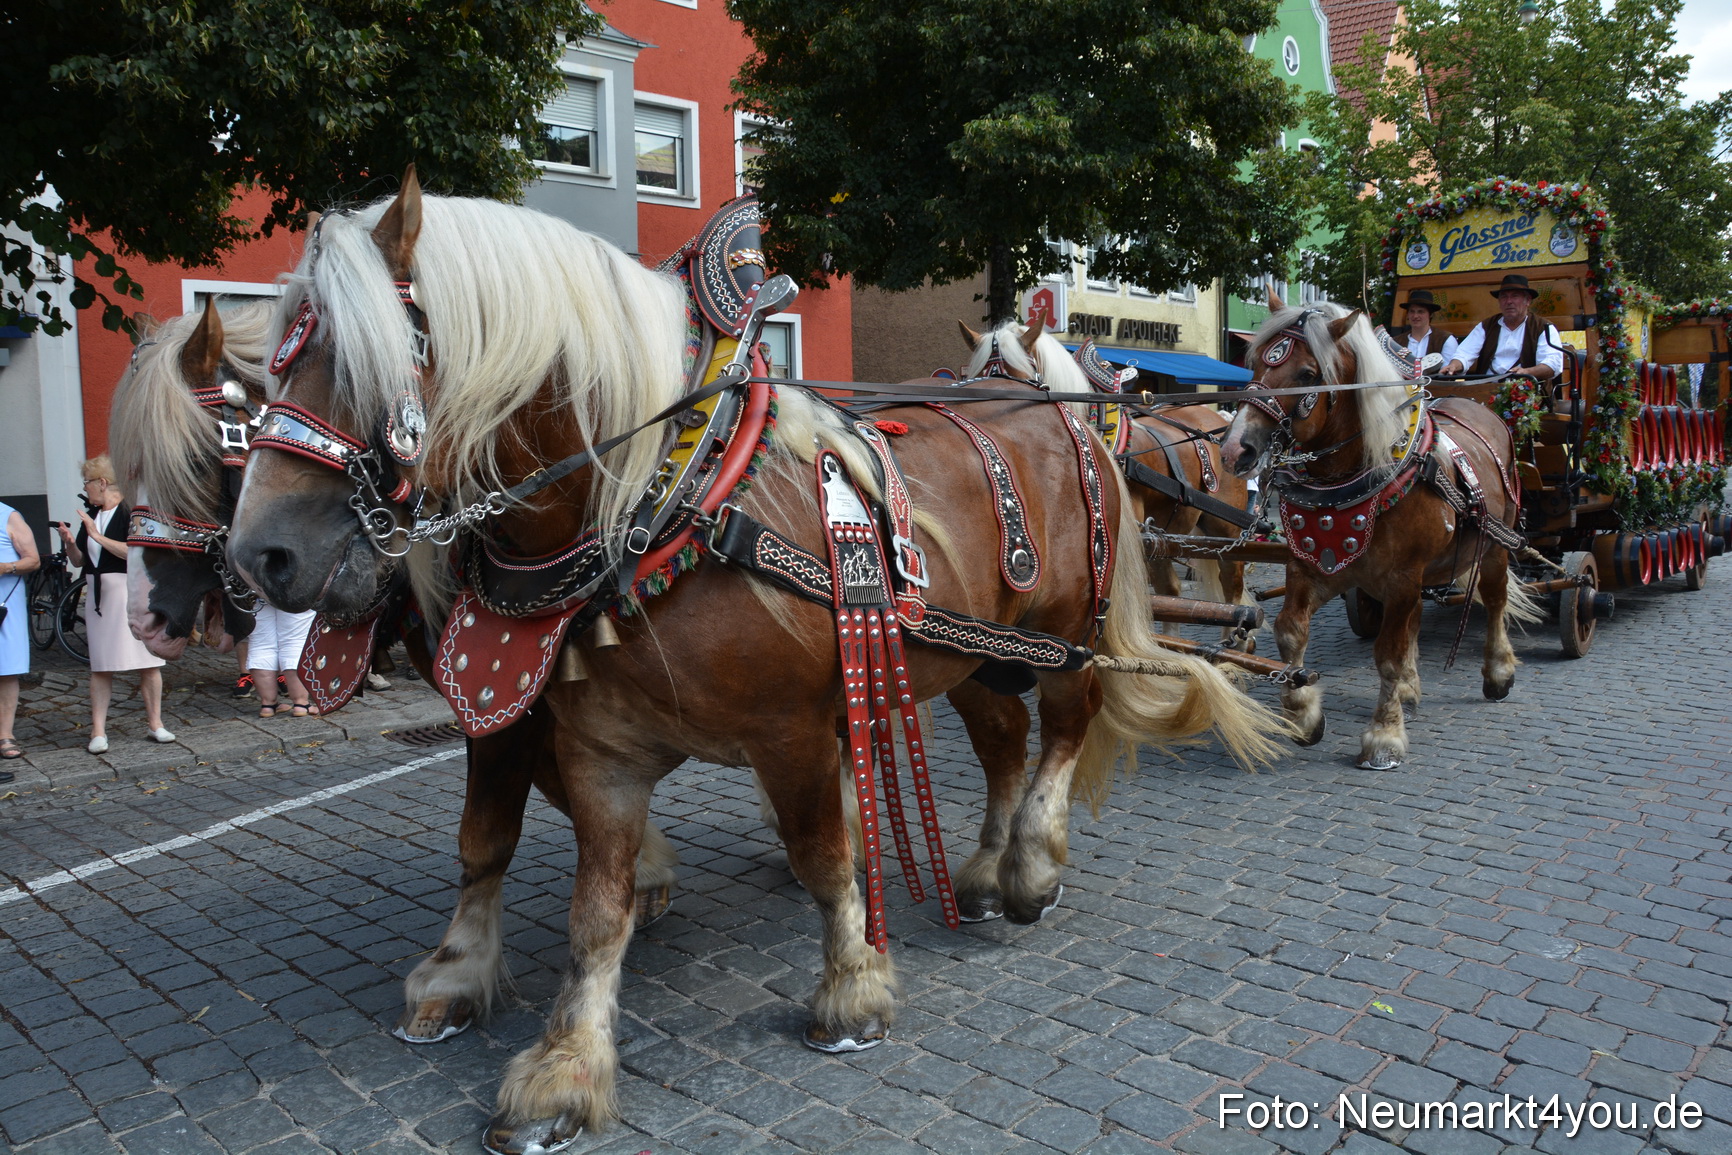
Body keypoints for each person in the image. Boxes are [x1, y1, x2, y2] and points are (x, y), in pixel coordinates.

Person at [57, 457, 175, 754]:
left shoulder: (131, 512)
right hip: (99, 599)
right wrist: (71, 542)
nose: (85, 488)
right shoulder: (93, 513)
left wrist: (96, 535)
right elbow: (80, 561)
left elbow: (134, 551)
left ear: (102, 483)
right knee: (101, 665)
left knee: (147, 662)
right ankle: (98, 731)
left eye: (86, 482)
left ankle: (156, 723)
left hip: (130, 592)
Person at [1442, 273, 1564, 381]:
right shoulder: (1486, 326)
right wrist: (1454, 365)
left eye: (1515, 296)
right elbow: (1465, 353)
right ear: (1499, 302)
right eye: (1504, 297)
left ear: (1527, 301)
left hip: (1527, 393)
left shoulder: (1543, 327)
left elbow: (1552, 365)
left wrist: (1527, 372)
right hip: (1485, 390)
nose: (1509, 301)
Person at [1, 503, 42, 779]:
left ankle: (4, 735)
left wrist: (6, 566)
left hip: (4, 604)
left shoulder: (9, 516)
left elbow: (33, 559)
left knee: (6, 669)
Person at [248, 605, 320, 717]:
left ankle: (268, 705)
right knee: (295, 640)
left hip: (255, 593)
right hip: (293, 591)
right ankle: (301, 704)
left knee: (261, 643)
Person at [1389, 288, 1459, 367]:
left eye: (1421, 311)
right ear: (1407, 314)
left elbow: (1447, 373)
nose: (1415, 316)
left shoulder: (1445, 339)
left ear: (1431, 314)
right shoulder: (1396, 342)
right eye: (1412, 311)